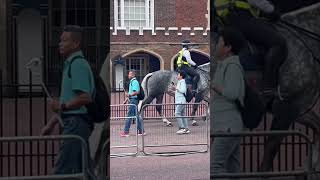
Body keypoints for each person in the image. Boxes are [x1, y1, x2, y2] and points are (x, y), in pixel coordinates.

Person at [40, 25, 95, 178]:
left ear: (76, 44)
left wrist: (61, 106)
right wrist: (51, 124)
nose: (60, 43)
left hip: (75, 125)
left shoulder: (77, 65)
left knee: (61, 171)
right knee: (84, 171)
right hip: (75, 123)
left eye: (64, 40)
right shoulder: (71, 65)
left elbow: (85, 98)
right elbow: (67, 104)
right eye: (60, 40)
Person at [214, 0, 288, 97]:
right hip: (241, 17)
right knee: (279, 42)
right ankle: (269, 88)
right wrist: (272, 10)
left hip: (228, 19)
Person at [211, 28, 245, 175]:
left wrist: (214, 86)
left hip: (228, 127)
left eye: (219, 42)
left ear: (228, 48)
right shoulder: (224, 65)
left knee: (214, 168)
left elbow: (233, 92)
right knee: (232, 170)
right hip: (226, 126)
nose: (216, 45)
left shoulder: (232, 66)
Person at [120, 70, 145, 137]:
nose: (128, 75)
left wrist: (129, 95)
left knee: (129, 116)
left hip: (133, 100)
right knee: (136, 116)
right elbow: (132, 93)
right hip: (133, 100)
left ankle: (126, 132)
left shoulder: (134, 82)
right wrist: (126, 100)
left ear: (133, 75)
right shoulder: (132, 82)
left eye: (130, 74)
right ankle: (141, 131)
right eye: (129, 74)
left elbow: (136, 92)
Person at [172, 70, 190, 134]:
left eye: (178, 74)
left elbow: (183, 90)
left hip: (181, 101)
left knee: (177, 113)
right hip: (180, 100)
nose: (177, 75)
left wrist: (176, 88)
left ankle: (182, 128)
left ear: (181, 76)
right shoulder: (180, 82)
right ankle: (186, 128)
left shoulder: (182, 82)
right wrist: (175, 90)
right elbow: (180, 91)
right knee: (183, 114)